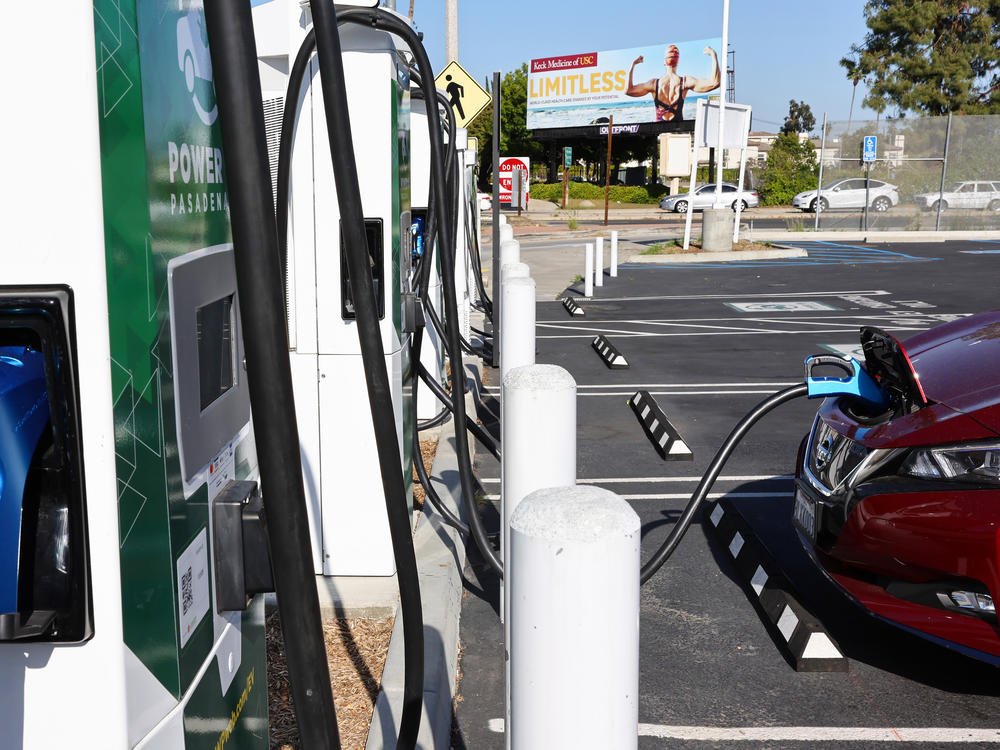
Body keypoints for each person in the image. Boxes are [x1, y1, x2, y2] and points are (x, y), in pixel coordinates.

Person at [625, 44, 720, 122]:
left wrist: (633, 65)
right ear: (677, 62)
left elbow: (628, 91)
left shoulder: (654, 84)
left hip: (660, 132)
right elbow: (715, 83)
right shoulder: (685, 82)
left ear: (664, 62)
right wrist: (713, 54)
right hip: (678, 130)